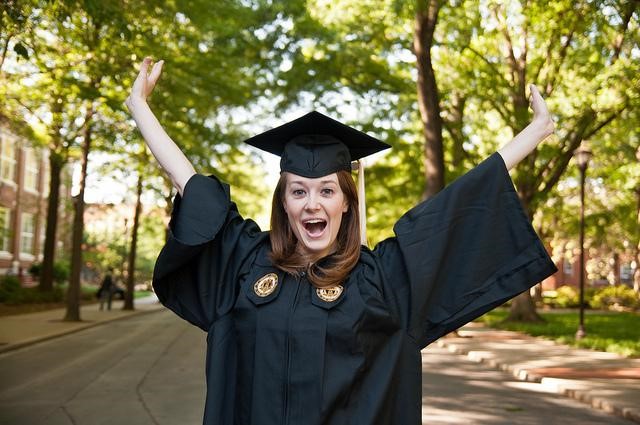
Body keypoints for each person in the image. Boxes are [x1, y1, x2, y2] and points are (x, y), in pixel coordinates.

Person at [126, 57, 557, 425]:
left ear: (346, 203)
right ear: (284, 203)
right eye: (299, 191)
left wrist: (535, 132)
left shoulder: (382, 280)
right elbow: (192, 187)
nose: (312, 203)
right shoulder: (245, 264)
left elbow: (457, 209)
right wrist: (140, 108)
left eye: (327, 190)